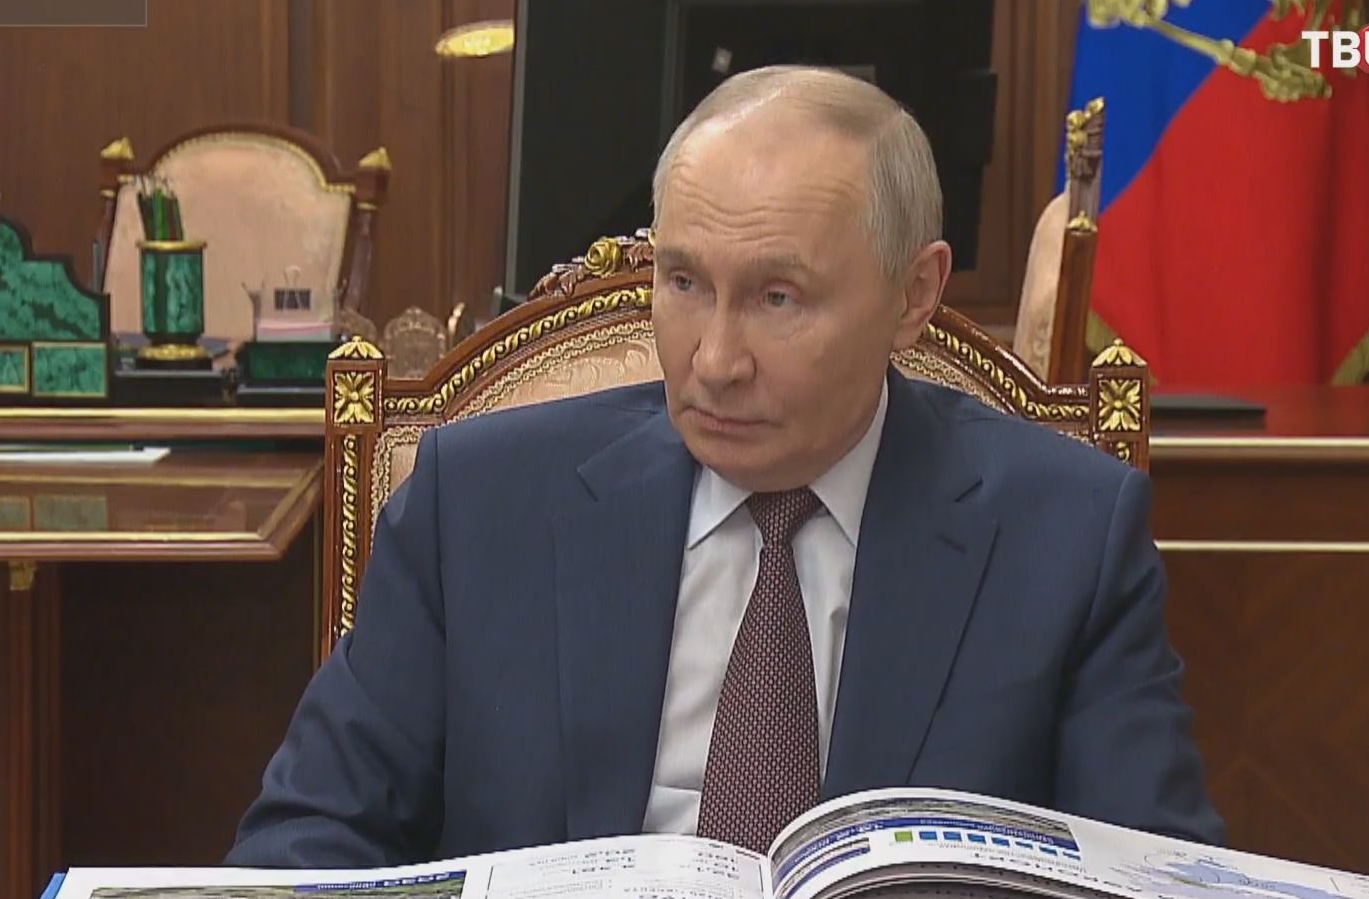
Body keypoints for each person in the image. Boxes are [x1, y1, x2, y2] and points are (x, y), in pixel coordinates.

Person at [226, 66, 1225, 868]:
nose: (713, 360)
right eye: (685, 282)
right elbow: (305, 843)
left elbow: (1156, 873)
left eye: (777, 298)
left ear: (913, 296)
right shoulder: (478, 504)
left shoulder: (1063, 535)